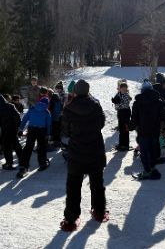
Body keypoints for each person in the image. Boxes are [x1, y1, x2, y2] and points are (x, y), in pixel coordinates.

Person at [60, 79, 107, 232]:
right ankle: (99, 212)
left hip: (77, 152)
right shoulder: (96, 105)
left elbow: (66, 132)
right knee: (97, 183)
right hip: (95, 150)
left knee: (73, 186)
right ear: (87, 91)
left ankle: (71, 219)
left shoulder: (68, 109)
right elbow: (101, 123)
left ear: (74, 92)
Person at [131, 79, 165, 180]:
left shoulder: (137, 103)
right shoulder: (158, 101)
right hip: (154, 130)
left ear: (142, 90)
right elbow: (164, 115)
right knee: (153, 149)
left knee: (144, 151)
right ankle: (152, 168)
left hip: (142, 131)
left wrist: (130, 126)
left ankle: (147, 171)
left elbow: (134, 119)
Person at [17, 95, 52, 177]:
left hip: (32, 130)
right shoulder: (47, 112)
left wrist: (20, 129)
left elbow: (24, 119)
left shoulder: (32, 109)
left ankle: (23, 166)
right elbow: (48, 125)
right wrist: (48, 134)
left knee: (28, 147)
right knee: (42, 147)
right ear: (47, 104)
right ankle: (42, 164)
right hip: (42, 131)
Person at [0, 93, 22, 170]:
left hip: (7, 130)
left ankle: (9, 163)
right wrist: (18, 126)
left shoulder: (1, 108)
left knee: (7, 147)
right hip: (12, 129)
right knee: (16, 145)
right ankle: (22, 160)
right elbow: (18, 116)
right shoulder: (9, 106)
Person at [111, 79, 132, 151]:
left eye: (124, 89)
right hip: (120, 114)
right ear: (119, 89)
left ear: (126, 89)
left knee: (126, 129)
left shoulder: (126, 95)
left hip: (126, 114)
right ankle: (121, 144)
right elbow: (116, 106)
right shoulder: (118, 95)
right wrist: (115, 101)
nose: (123, 90)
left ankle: (125, 145)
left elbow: (125, 104)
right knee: (121, 130)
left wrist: (118, 103)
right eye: (122, 88)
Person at [50, 82, 65, 147]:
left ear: (61, 89)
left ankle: (58, 140)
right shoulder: (56, 95)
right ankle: (57, 139)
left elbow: (63, 105)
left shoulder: (63, 95)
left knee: (58, 128)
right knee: (57, 128)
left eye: (58, 89)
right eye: (56, 89)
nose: (57, 90)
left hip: (60, 114)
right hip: (58, 114)